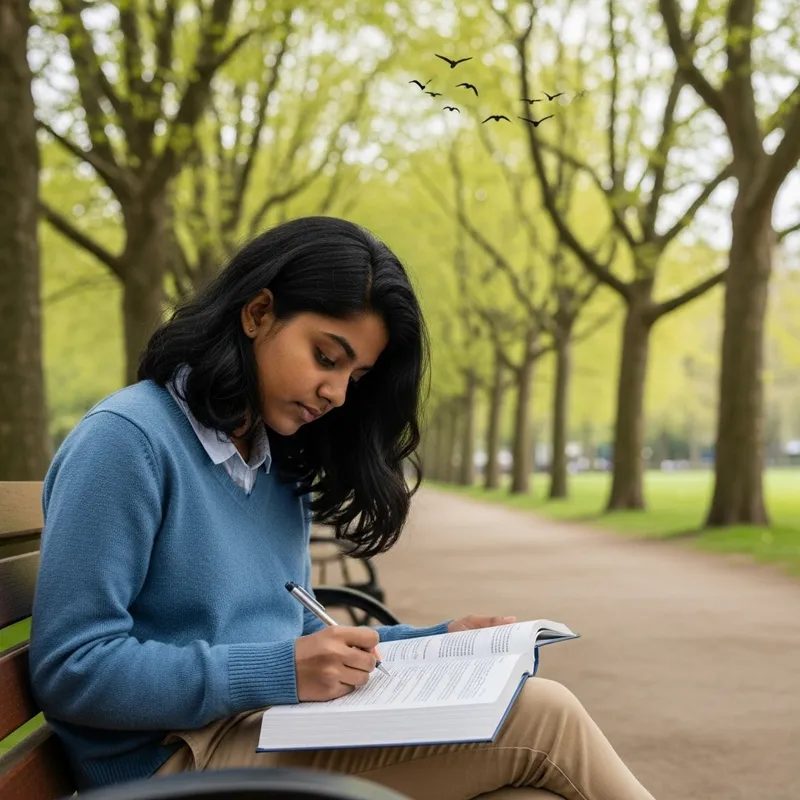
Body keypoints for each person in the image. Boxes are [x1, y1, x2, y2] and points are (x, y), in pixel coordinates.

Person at [29, 217, 655, 800]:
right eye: (327, 357)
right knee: (545, 717)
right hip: (170, 765)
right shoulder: (128, 440)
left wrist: (440, 644)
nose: (336, 392)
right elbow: (72, 667)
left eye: (355, 376)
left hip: (265, 730)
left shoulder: (270, 458)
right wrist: (277, 670)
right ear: (258, 312)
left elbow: (297, 638)